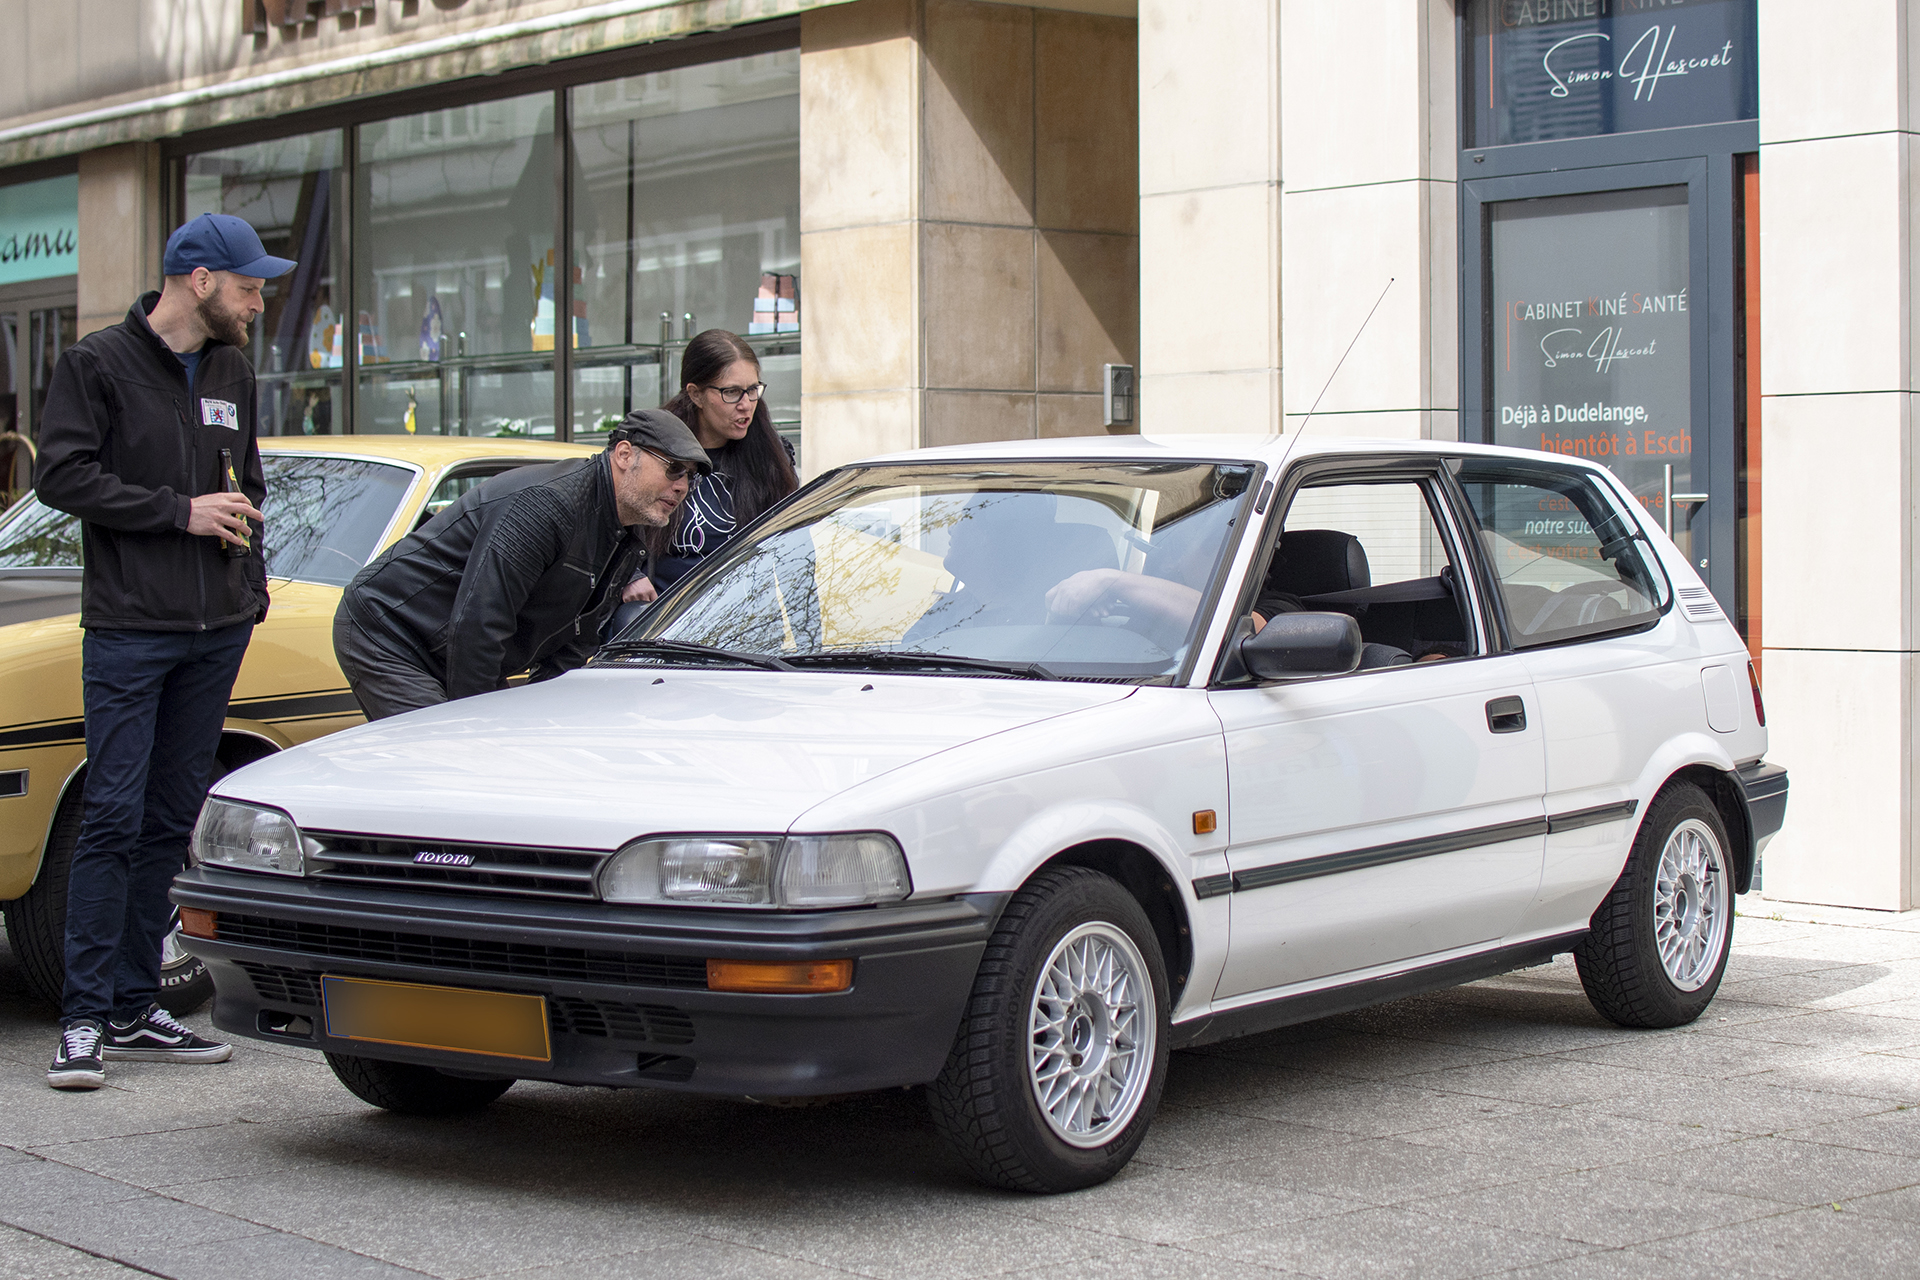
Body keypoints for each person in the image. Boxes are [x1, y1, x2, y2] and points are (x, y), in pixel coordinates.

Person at [33, 212, 294, 1090]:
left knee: (170, 819)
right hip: (131, 628)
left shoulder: (232, 370)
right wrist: (178, 511)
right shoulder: (96, 364)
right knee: (109, 814)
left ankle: (135, 1004)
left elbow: (247, 483)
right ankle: (80, 1020)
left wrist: (249, 588)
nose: (260, 301)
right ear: (200, 280)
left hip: (214, 629)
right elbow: (62, 476)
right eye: (250, 286)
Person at [333, 409, 709, 720]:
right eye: (674, 468)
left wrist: (544, 716)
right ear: (625, 455)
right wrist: (478, 728)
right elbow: (480, 624)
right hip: (390, 631)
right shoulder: (544, 506)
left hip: (456, 646)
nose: (682, 486)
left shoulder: (623, 531)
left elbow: (577, 639)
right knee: (442, 755)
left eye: (690, 477)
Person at [617, 329, 798, 620]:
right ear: (695, 394)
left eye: (753, 390)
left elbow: (794, 552)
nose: (745, 404)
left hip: (745, 631)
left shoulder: (771, 457)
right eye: (731, 392)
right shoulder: (652, 452)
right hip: (664, 632)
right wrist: (629, 574)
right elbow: (602, 526)